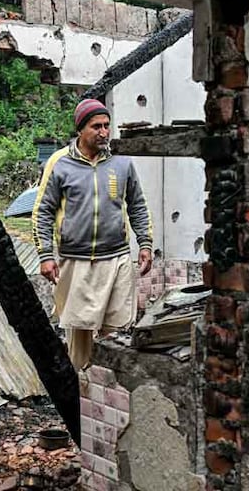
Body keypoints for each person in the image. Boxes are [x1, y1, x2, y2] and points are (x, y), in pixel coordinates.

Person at [32, 98, 153, 370]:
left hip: (117, 258)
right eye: (96, 126)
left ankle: (111, 390)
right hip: (76, 261)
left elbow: (137, 204)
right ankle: (82, 392)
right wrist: (45, 255)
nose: (104, 132)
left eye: (107, 126)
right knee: (80, 332)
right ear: (81, 130)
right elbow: (43, 211)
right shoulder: (59, 163)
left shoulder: (121, 162)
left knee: (118, 329)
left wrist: (144, 243)